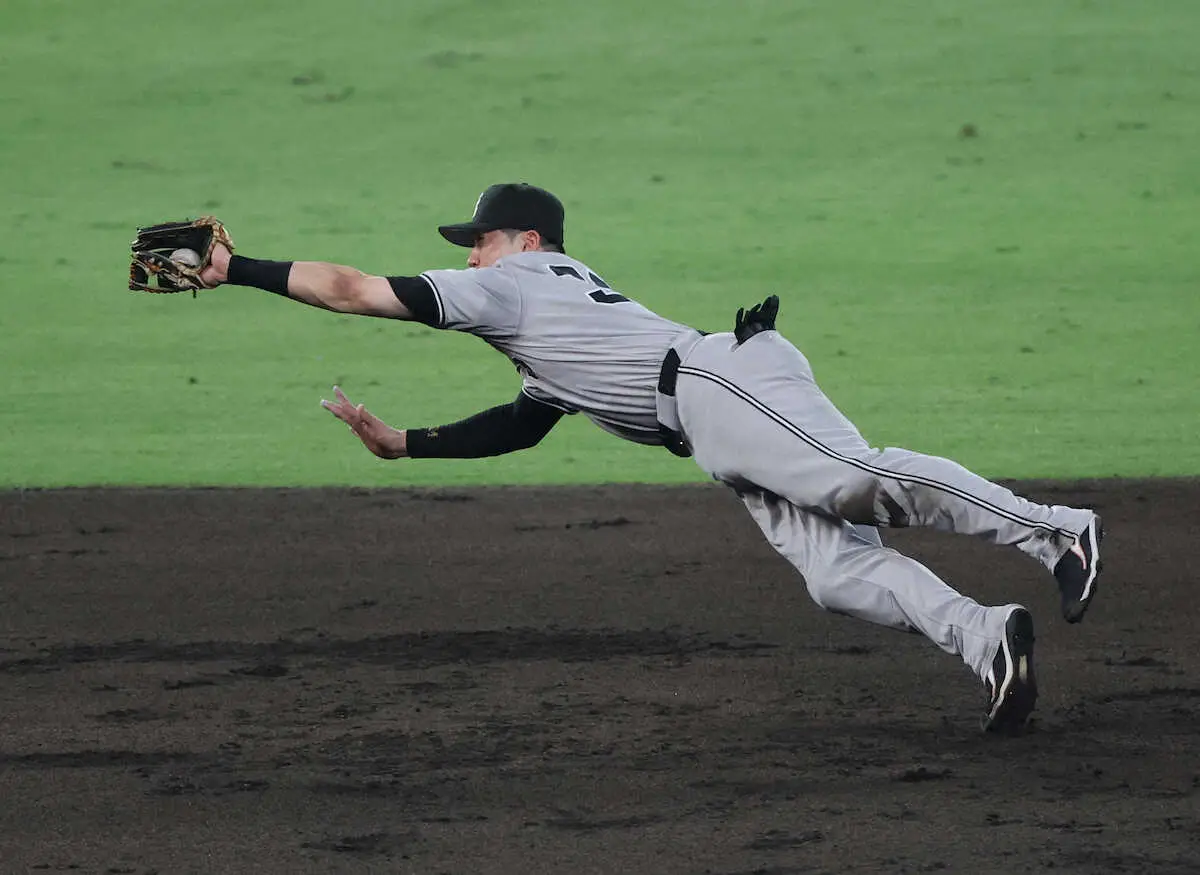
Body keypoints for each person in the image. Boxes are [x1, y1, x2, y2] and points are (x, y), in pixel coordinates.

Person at [198, 182, 1103, 732]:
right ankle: (989, 639)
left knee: (855, 480)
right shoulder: (542, 330)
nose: (468, 255)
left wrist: (236, 269)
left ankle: (1057, 532)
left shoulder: (511, 285)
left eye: (476, 238)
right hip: (717, 422)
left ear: (525, 241)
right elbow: (524, 422)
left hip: (719, 380)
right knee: (838, 577)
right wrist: (406, 444)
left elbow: (356, 291)